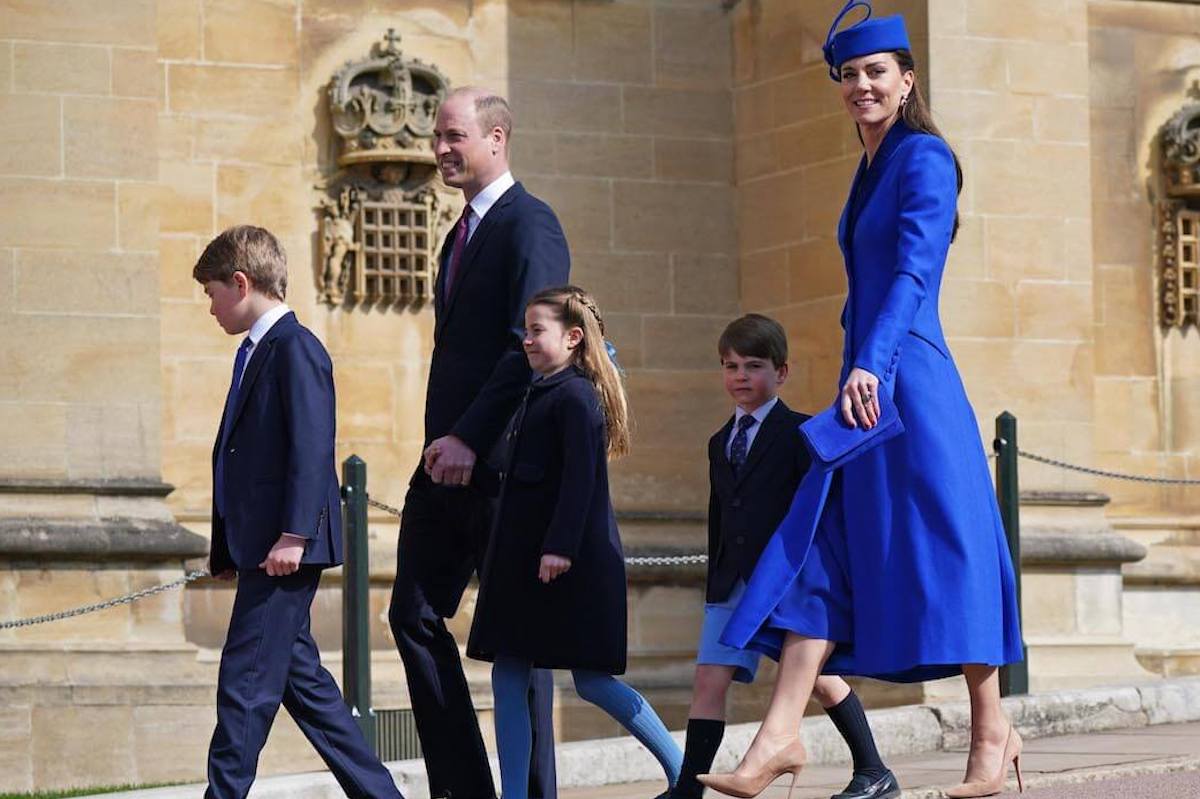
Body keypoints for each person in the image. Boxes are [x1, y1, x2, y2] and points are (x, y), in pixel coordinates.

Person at [699, 4, 1024, 799]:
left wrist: (870, 365)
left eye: (877, 71)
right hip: (868, 381)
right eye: (849, 74)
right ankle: (779, 739)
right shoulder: (868, 163)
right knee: (815, 552)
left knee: (951, 552)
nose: (861, 86)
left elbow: (913, 273)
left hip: (909, 383)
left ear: (907, 78)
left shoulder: (924, 158)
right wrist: (858, 363)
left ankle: (992, 730)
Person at [387, 87, 569, 799]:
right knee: (412, 612)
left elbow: (530, 348)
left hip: (503, 467)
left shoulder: (532, 225)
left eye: (453, 136)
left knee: (521, 644)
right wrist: (445, 443)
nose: (439, 149)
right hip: (448, 466)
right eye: (437, 137)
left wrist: (469, 436)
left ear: (497, 138)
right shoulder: (455, 235)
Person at [195, 225, 403, 799]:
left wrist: (294, 535)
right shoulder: (257, 351)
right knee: (304, 686)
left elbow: (312, 448)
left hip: (284, 550)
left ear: (240, 283)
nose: (209, 308)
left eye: (212, 293)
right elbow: (237, 457)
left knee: (243, 685)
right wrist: (226, 549)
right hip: (261, 548)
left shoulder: (296, 347)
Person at [466, 286, 683, 799]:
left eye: (537, 330)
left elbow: (581, 481)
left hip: (568, 566)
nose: (526, 340)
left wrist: (560, 547)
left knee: (592, 680)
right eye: (525, 330)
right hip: (525, 564)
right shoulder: (539, 391)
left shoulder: (575, 396)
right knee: (508, 672)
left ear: (573, 337)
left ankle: (684, 771)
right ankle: (514, 793)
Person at [670, 314, 898, 799]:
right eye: (730, 366)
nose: (740, 377)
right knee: (709, 678)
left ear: (782, 372)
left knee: (818, 679)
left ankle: (874, 769)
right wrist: (714, 580)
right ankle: (688, 790)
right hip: (731, 580)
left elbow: (815, 512)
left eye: (753, 366)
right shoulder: (717, 442)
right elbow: (721, 514)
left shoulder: (801, 434)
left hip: (784, 579)